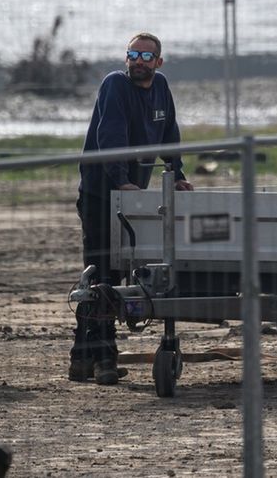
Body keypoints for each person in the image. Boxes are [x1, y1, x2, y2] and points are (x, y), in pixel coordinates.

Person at [69, 32, 193, 385]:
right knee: (101, 274)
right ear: (126, 59)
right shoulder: (115, 85)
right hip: (101, 194)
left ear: (158, 62)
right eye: (133, 54)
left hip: (131, 198)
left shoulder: (161, 87)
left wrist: (177, 174)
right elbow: (111, 135)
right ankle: (104, 360)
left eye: (146, 56)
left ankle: (81, 358)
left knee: (115, 271)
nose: (138, 61)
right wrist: (120, 180)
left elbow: (169, 134)